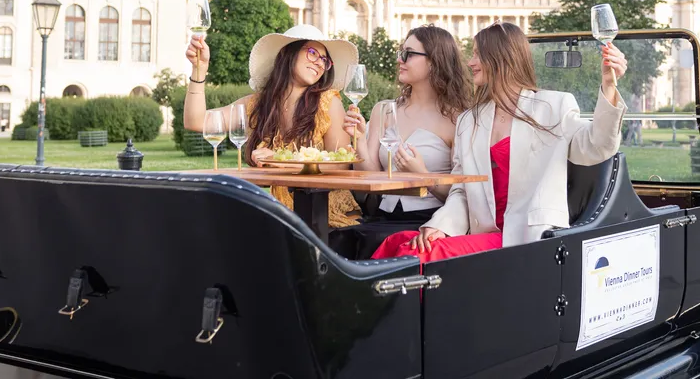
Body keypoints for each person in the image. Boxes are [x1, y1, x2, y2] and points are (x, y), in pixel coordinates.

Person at [372, 22, 628, 263]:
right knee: (397, 244)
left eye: (476, 54)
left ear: (500, 58)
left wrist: (608, 85)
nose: (470, 62)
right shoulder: (469, 120)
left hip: (528, 239)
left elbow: (597, 146)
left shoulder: (553, 106)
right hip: (483, 233)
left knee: (415, 255)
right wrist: (440, 225)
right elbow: (462, 190)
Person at [183, 24, 361, 228]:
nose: (320, 64)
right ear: (289, 53)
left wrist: (280, 161)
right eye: (312, 53)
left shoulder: (329, 102)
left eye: (324, 60)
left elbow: (341, 164)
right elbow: (196, 121)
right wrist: (199, 70)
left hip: (326, 218)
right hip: (282, 216)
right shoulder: (258, 104)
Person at [335, 25, 471, 258]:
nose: (400, 60)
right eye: (401, 53)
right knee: (336, 239)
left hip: (427, 221)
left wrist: (423, 176)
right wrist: (357, 139)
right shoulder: (384, 110)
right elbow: (370, 174)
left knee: (364, 243)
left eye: (408, 54)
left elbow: (464, 193)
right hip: (381, 216)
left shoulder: (459, 118)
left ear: (434, 61)